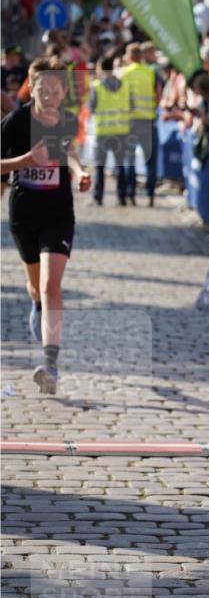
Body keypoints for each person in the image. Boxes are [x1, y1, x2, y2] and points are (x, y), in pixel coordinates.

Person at [1, 57, 91, 395]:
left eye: (56, 89)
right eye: (44, 88)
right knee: (36, 288)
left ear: (63, 91)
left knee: (52, 283)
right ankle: (37, 306)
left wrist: (80, 173)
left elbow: (69, 153)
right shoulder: (15, 122)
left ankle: (50, 364)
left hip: (58, 212)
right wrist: (25, 161)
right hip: (24, 213)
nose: (50, 95)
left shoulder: (66, 121)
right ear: (32, 85)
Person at [88, 55, 131, 206]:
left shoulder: (97, 86)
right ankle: (122, 197)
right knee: (120, 165)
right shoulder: (124, 84)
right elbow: (130, 105)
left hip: (103, 132)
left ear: (100, 68)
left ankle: (98, 197)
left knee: (100, 166)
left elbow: (91, 107)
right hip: (121, 131)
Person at [120, 43, 158, 206]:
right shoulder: (149, 72)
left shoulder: (123, 74)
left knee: (130, 159)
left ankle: (131, 193)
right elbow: (156, 93)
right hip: (148, 120)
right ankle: (150, 195)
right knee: (150, 161)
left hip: (130, 122)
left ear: (128, 57)